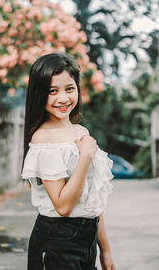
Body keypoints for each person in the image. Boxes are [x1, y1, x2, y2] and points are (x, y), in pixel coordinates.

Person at [21, 52, 116, 270]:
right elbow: (63, 206)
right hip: (57, 241)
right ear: (39, 94)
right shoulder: (44, 138)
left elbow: (93, 199)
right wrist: (86, 156)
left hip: (87, 238)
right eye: (52, 91)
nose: (63, 98)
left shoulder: (81, 131)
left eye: (69, 88)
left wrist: (106, 249)